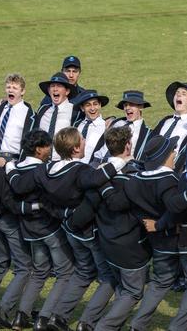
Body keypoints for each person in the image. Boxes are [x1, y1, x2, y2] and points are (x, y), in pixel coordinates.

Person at [32, 127, 119, 331]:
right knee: (108, 277)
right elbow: (97, 178)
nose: (86, 140)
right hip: (88, 231)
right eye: (82, 138)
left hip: (69, 230)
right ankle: (86, 323)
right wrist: (121, 161)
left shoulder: (47, 169)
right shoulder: (81, 170)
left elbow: (43, 199)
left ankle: (58, 317)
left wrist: (62, 214)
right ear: (76, 148)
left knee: (83, 271)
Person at [126, 135, 187, 331]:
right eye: (172, 151)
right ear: (165, 156)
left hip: (159, 242)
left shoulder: (134, 180)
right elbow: (175, 207)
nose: (175, 153)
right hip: (185, 237)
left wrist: (151, 225)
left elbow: (134, 207)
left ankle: (137, 324)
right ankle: (178, 327)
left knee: (159, 282)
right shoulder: (170, 179)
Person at [6, 129, 75, 330]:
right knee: (65, 273)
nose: (50, 149)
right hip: (49, 230)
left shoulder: (15, 167)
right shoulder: (42, 171)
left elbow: (15, 186)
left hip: (29, 230)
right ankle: (44, 318)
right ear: (38, 150)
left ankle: (21, 317)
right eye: (47, 146)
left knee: (39, 272)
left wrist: (9, 167)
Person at [94, 127, 152, 331]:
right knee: (133, 292)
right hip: (129, 246)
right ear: (128, 145)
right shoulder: (135, 176)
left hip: (106, 241)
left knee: (122, 288)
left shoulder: (99, 172)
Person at [0, 128, 38, 329]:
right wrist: (33, 207)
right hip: (5, 220)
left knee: (0, 262)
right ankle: (2, 312)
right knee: (24, 267)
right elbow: (10, 203)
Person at [91, 90, 153, 165]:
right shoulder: (117, 122)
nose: (127, 108)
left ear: (141, 107)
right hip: (97, 161)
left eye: (131, 104)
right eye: (125, 105)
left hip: (120, 166)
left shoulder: (147, 133)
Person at [152, 81, 187, 173]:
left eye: (183, 93)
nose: (178, 95)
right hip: (153, 169)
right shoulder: (165, 121)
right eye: (177, 93)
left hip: (174, 171)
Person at [35, 72, 81, 161]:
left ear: (67, 91)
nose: (55, 89)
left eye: (59, 86)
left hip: (62, 161)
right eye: (52, 86)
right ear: (48, 91)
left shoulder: (74, 111)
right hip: (40, 161)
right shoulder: (43, 109)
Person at [0, 74, 34, 161]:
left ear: (22, 91)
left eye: (15, 88)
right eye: (8, 87)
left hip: (14, 160)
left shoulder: (29, 114)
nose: (10, 90)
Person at [71, 90, 109, 164]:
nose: (92, 108)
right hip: (73, 168)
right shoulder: (76, 125)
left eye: (95, 104)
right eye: (88, 105)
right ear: (82, 108)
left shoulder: (106, 127)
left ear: (100, 105)